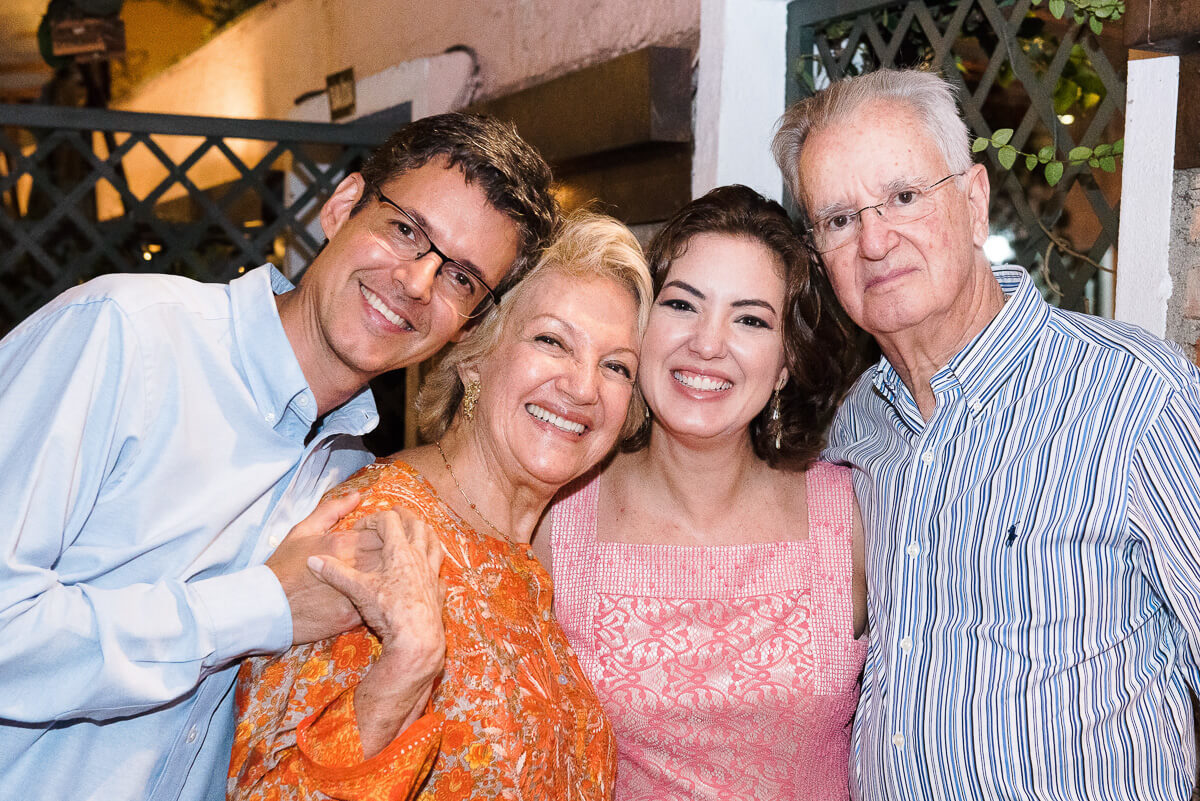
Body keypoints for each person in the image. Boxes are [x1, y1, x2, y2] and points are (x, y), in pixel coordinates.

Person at [0, 112, 558, 801]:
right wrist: (262, 603)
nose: (417, 282)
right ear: (341, 206)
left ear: (468, 324)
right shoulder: (125, 337)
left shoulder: (349, 479)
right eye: (407, 230)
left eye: (460, 279)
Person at [772, 68, 1200, 800]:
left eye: (904, 197)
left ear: (974, 202)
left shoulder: (1133, 397)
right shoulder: (854, 430)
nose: (875, 240)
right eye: (839, 219)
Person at [228, 211, 654, 801]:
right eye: (552, 341)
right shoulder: (376, 528)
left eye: (616, 366)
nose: (583, 388)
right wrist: (405, 673)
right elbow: (272, 791)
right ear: (476, 354)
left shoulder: (532, 561)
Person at [533, 185, 868, 800]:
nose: (708, 344)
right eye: (683, 305)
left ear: (786, 360)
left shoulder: (851, 519)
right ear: (641, 326)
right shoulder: (554, 519)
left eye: (750, 319)